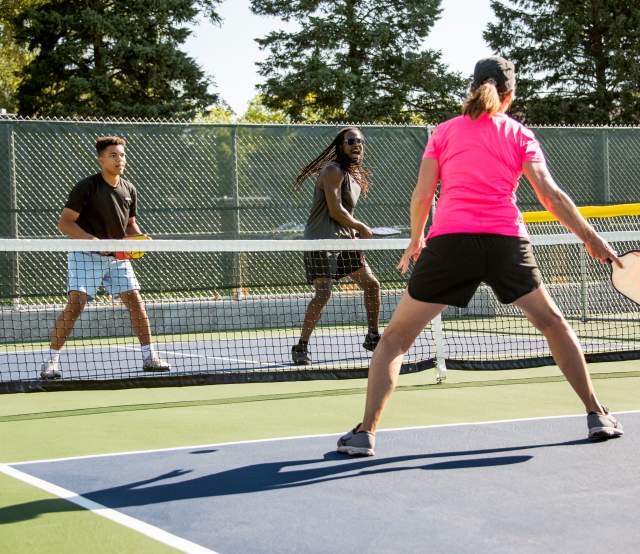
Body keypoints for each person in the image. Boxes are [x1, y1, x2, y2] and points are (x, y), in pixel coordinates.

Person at [337, 56, 624, 455]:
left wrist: (417, 240)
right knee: (554, 324)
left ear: (472, 89)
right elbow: (550, 195)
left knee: (396, 339)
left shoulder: (443, 133)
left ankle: (365, 433)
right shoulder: (520, 134)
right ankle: (597, 414)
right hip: (507, 244)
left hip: (451, 244)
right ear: (511, 95)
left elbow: (423, 196)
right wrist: (591, 238)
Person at [39, 136, 170, 379]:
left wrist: (139, 239)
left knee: (136, 302)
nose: (119, 159)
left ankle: (150, 356)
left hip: (117, 258)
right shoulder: (87, 187)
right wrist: (93, 242)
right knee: (76, 304)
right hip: (85, 254)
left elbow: (130, 224)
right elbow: (65, 223)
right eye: (113, 155)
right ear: (101, 160)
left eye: (122, 155)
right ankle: (51, 362)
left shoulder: (129, 189)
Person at [291, 127, 381, 365]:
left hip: (344, 240)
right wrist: (360, 226)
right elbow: (335, 210)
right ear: (341, 146)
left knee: (371, 285)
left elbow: (345, 215)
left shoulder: (355, 177)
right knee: (324, 293)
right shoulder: (332, 170)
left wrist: (354, 231)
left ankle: (373, 337)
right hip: (321, 240)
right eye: (351, 141)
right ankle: (301, 346)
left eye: (360, 141)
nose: (356, 144)